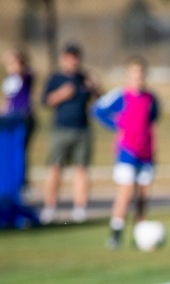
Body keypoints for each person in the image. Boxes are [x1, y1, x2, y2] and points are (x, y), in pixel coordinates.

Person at [92, 55, 161, 250]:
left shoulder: (150, 98)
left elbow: (152, 123)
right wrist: (116, 126)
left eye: (140, 74)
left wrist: (154, 148)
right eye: (133, 74)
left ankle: (140, 232)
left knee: (143, 194)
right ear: (128, 75)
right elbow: (97, 110)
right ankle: (116, 231)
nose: (137, 78)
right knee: (126, 190)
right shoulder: (120, 96)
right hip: (127, 151)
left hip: (145, 152)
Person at [41, 43, 98, 224]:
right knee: (55, 167)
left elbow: (99, 101)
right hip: (61, 129)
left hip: (82, 129)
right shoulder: (56, 78)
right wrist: (62, 94)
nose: (73, 60)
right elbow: (46, 101)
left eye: (76, 57)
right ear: (63, 58)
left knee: (81, 169)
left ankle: (80, 208)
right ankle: (50, 207)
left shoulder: (84, 78)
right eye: (69, 57)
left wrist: (95, 88)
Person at [0, 47, 36, 185]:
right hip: (10, 118)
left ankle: (22, 182)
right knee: (9, 150)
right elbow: (7, 97)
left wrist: (13, 60)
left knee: (20, 150)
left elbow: (20, 71)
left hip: (23, 117)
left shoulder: (26, 74)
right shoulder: (9, 77)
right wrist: (1, 113)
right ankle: (11, 180)